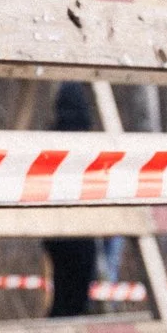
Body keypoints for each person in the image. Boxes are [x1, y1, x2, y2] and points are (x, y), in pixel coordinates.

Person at [42, 83, 102, 317]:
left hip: (56, 231)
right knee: (77, 297)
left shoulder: (50, 140)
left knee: (62, 294)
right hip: (82, 230)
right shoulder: (90, 143)